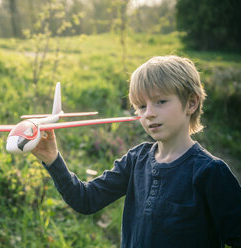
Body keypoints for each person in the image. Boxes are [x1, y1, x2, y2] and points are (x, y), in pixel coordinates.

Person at [31, 55, 241, 247]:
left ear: (191, 103)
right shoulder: (136, 160)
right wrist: (52, 159)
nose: (149, 113)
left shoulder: (210, 172)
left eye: (160, 101)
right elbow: (86, 200)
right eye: (141, 106)